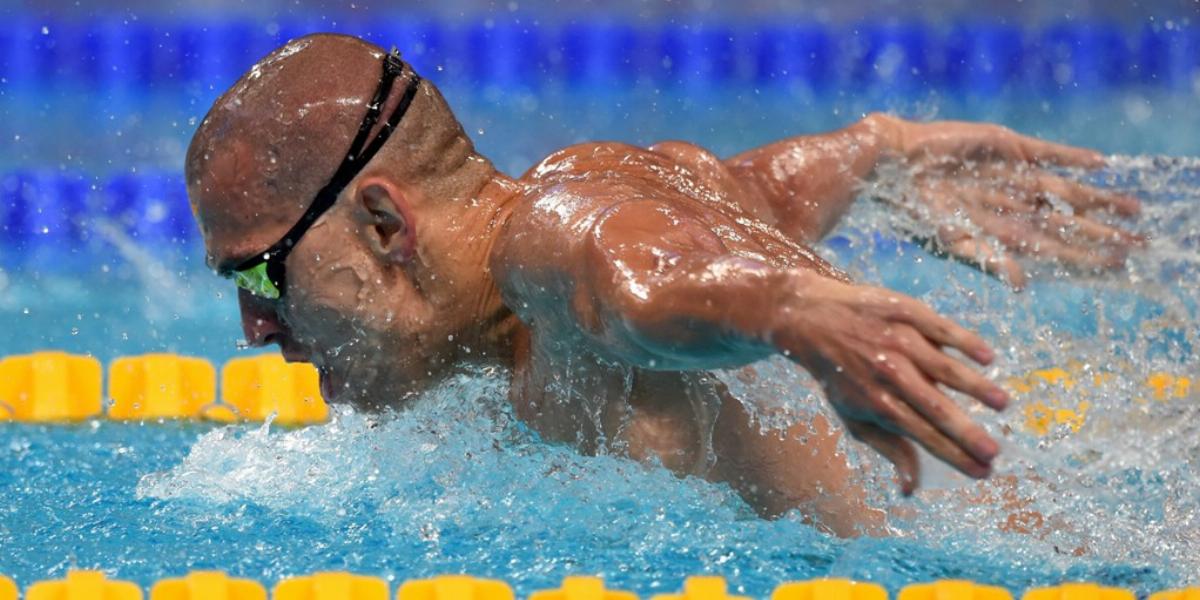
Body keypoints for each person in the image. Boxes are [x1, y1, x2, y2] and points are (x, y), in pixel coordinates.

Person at [186, 34, 1141, 536]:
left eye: (264, 271)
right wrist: (873, 153)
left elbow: (629, 281)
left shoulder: (541, 248)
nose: (255, 326)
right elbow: (735, 197)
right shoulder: (609, 187)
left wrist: (792, 310)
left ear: (386, 225)